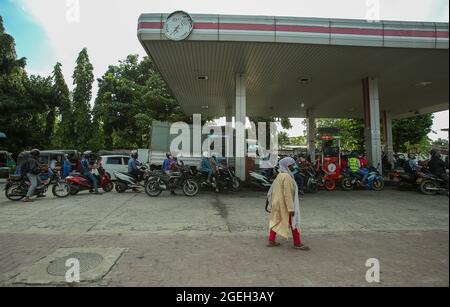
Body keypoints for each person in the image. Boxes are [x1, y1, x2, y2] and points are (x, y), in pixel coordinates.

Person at [266, 157, 309, 250]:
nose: (294, 167)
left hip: (277, 203)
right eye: (292, 165)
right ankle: (297, 243)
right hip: (284, 205)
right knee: (294, 223)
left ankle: (271, 240)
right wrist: (291, 209)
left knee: (276, 220)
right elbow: (288, 194)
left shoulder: (280, 175)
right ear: (287, 166)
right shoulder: (286, 177)